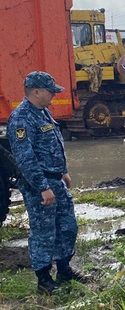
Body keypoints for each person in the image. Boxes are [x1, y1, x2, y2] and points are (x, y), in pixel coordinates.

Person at [7, 71, 85, 294]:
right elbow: (25, 158)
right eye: (51, 91)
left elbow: (53, 146)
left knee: (67, 227)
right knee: (44, 232)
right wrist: (43, 187)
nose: (54, 94)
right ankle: (44, 280)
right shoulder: (21, 118)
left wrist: (63, 172)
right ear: (36, 91)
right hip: (40, 185)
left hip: (55, 180)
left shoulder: (43, 113)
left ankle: (64, 270)